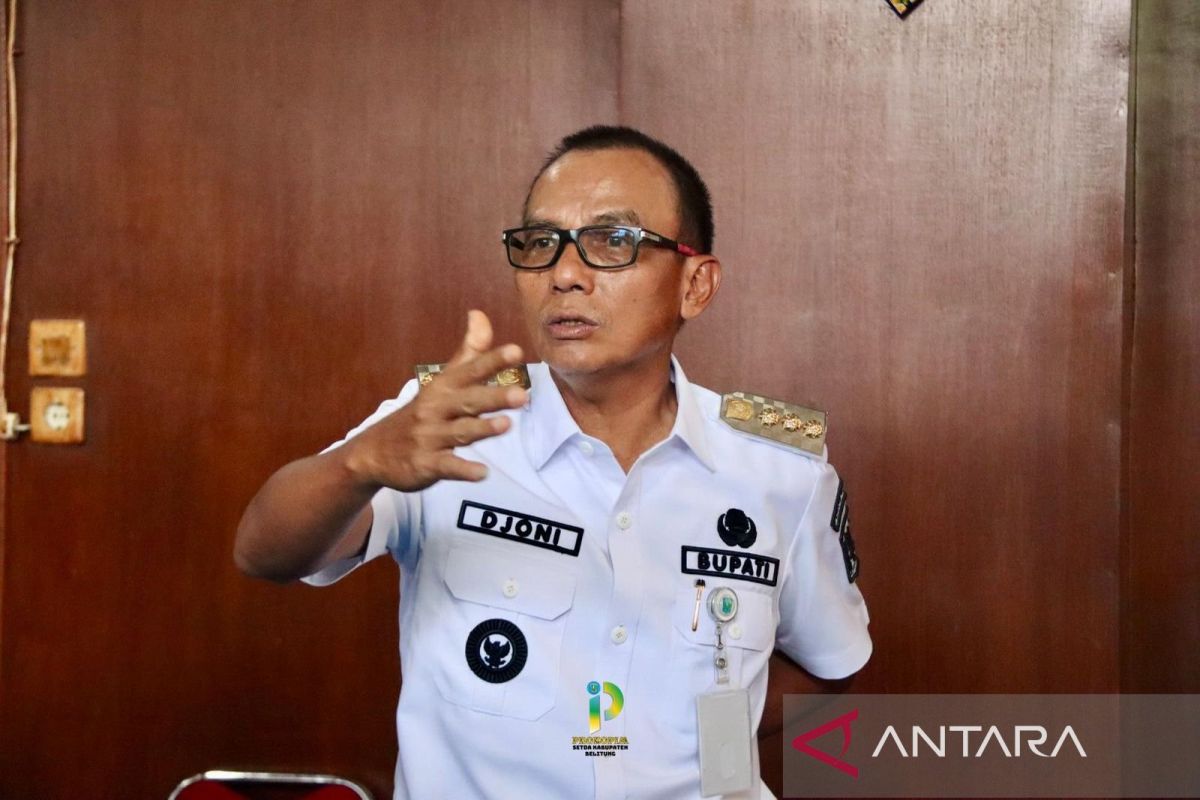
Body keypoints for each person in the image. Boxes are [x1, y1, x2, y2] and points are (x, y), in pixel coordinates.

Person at [235, 125, 871, 800]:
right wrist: (358, 465)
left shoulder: (778, 472)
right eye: (540, 243)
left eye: (613, 241)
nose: (565, 275)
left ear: (695, 284)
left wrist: (703, 747)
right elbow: (264, 552)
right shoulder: (448, 425)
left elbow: (832, 664)